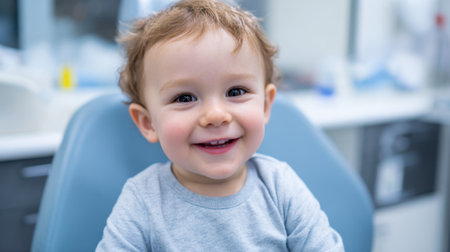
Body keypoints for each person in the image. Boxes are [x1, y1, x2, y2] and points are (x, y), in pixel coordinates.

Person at [96, 0, 344, 251]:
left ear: (265, 106)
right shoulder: (142, 201)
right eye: (184, 98)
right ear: (148, 123)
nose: (216, 115)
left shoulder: (281, 188)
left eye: (236, 91)